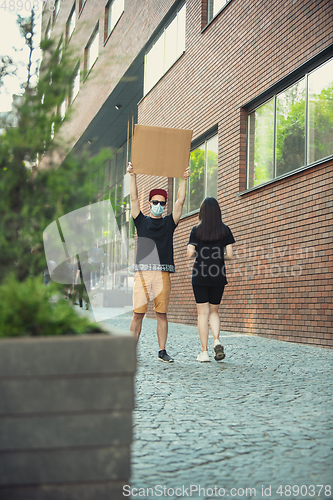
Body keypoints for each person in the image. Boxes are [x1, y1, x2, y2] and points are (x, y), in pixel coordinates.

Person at [127, 161, 190, 363]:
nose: (159, 206)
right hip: (143, 274)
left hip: (163, 274)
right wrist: (133, 175)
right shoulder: (140, 220)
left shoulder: (169, 222)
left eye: (162, 203)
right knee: (138, 314)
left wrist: (184, 179)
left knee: (162, 314)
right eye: (155, 202)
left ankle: (162, 351)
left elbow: (180, 202)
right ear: (149, 203)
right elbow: (134, 197)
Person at [187, 197, 235, 363]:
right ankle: (217, 340)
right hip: (218, 274)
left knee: (202, 313)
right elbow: (229, 255)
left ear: (202, 212)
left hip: (200, 274)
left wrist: (201, 253)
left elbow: (189, 252)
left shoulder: (196, 230)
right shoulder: (225, 230)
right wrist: (217, 255)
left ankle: (204, 352)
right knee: (214, 311)